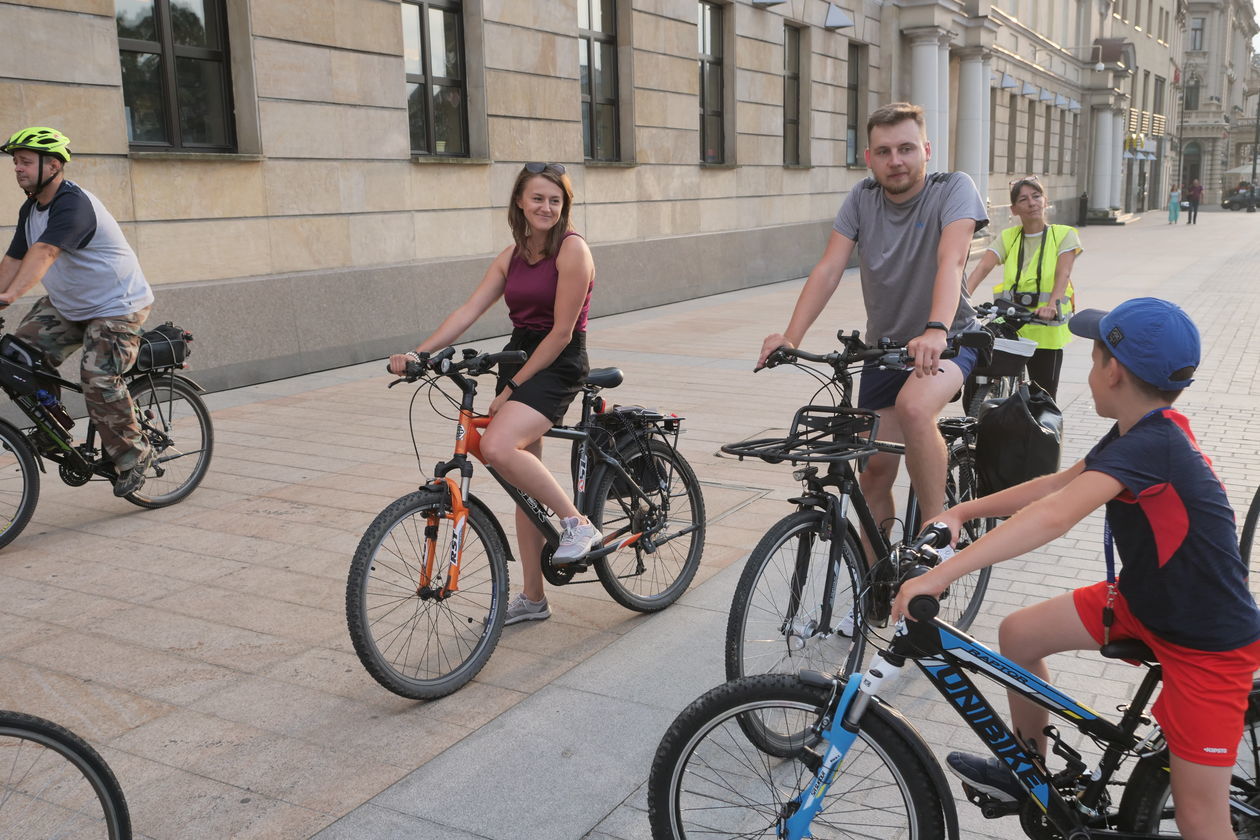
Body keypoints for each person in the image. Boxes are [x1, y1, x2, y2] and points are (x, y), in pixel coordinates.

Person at [892, 298, 1260, 840]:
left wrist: (940, 574)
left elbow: (1054, 517)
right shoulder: (1142, 430)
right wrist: (962, 511)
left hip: (1207, 640)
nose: (1087, 373)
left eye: (1091, 359)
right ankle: (1031, 772)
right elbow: (1056, 485)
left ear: (1112, 370)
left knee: (1201, 820)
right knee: (1019, 634)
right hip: (1144, 601)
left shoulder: (1153, 443)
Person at [758, 102, 988, 574]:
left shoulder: (953, 189)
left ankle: (937, 536)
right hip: (884, 349)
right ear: (869, 157)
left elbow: (952, 261)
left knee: (915, 407)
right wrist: (790, 335)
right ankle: (876, 585)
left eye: (906, 149)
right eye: (884, 151)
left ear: (926, 150)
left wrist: (936, 329)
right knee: (874, 471)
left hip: (953, 337)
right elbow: (828, 269)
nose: (896, 160)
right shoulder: (862, 197)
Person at [388, 162, 598, 626]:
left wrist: (515, 389)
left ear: (564, 206)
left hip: (557, 361)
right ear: (520, 202)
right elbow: (469, 309)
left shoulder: (573, 251)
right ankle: (533, 598)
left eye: (555, 200)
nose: (546, 207)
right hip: (518, 353)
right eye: (538, 198)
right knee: (525, 487)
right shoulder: (512, 255)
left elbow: (562, 333)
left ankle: (578, 524)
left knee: (498, 446)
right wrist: (419, 353)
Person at [0, 126, 155, 497]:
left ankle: (134, 455)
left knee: (98, 377)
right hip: (70, 305)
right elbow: (13, 259)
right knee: (17, 358)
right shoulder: (31, 209)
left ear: (52, 165)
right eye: (15, 163)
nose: (17, 169)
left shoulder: (73, 204)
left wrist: (6, 298)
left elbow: (44, 254)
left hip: (116, 306)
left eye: (25, 162)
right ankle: (54, 430)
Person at [964, 176, 1082, 399]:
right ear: (1014, 209)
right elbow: (981, 268)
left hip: (1045, 326)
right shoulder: (1008, 237)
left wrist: (1051, 305)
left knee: (1043, 396)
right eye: (1023, 199)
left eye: (1036, 196)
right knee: (977, 368)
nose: (1031, 203)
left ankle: (1047, 431)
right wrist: (960, 300)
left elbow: (1063, 273)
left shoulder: (1064, 234)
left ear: (1045, 201)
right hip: (1011, 322)